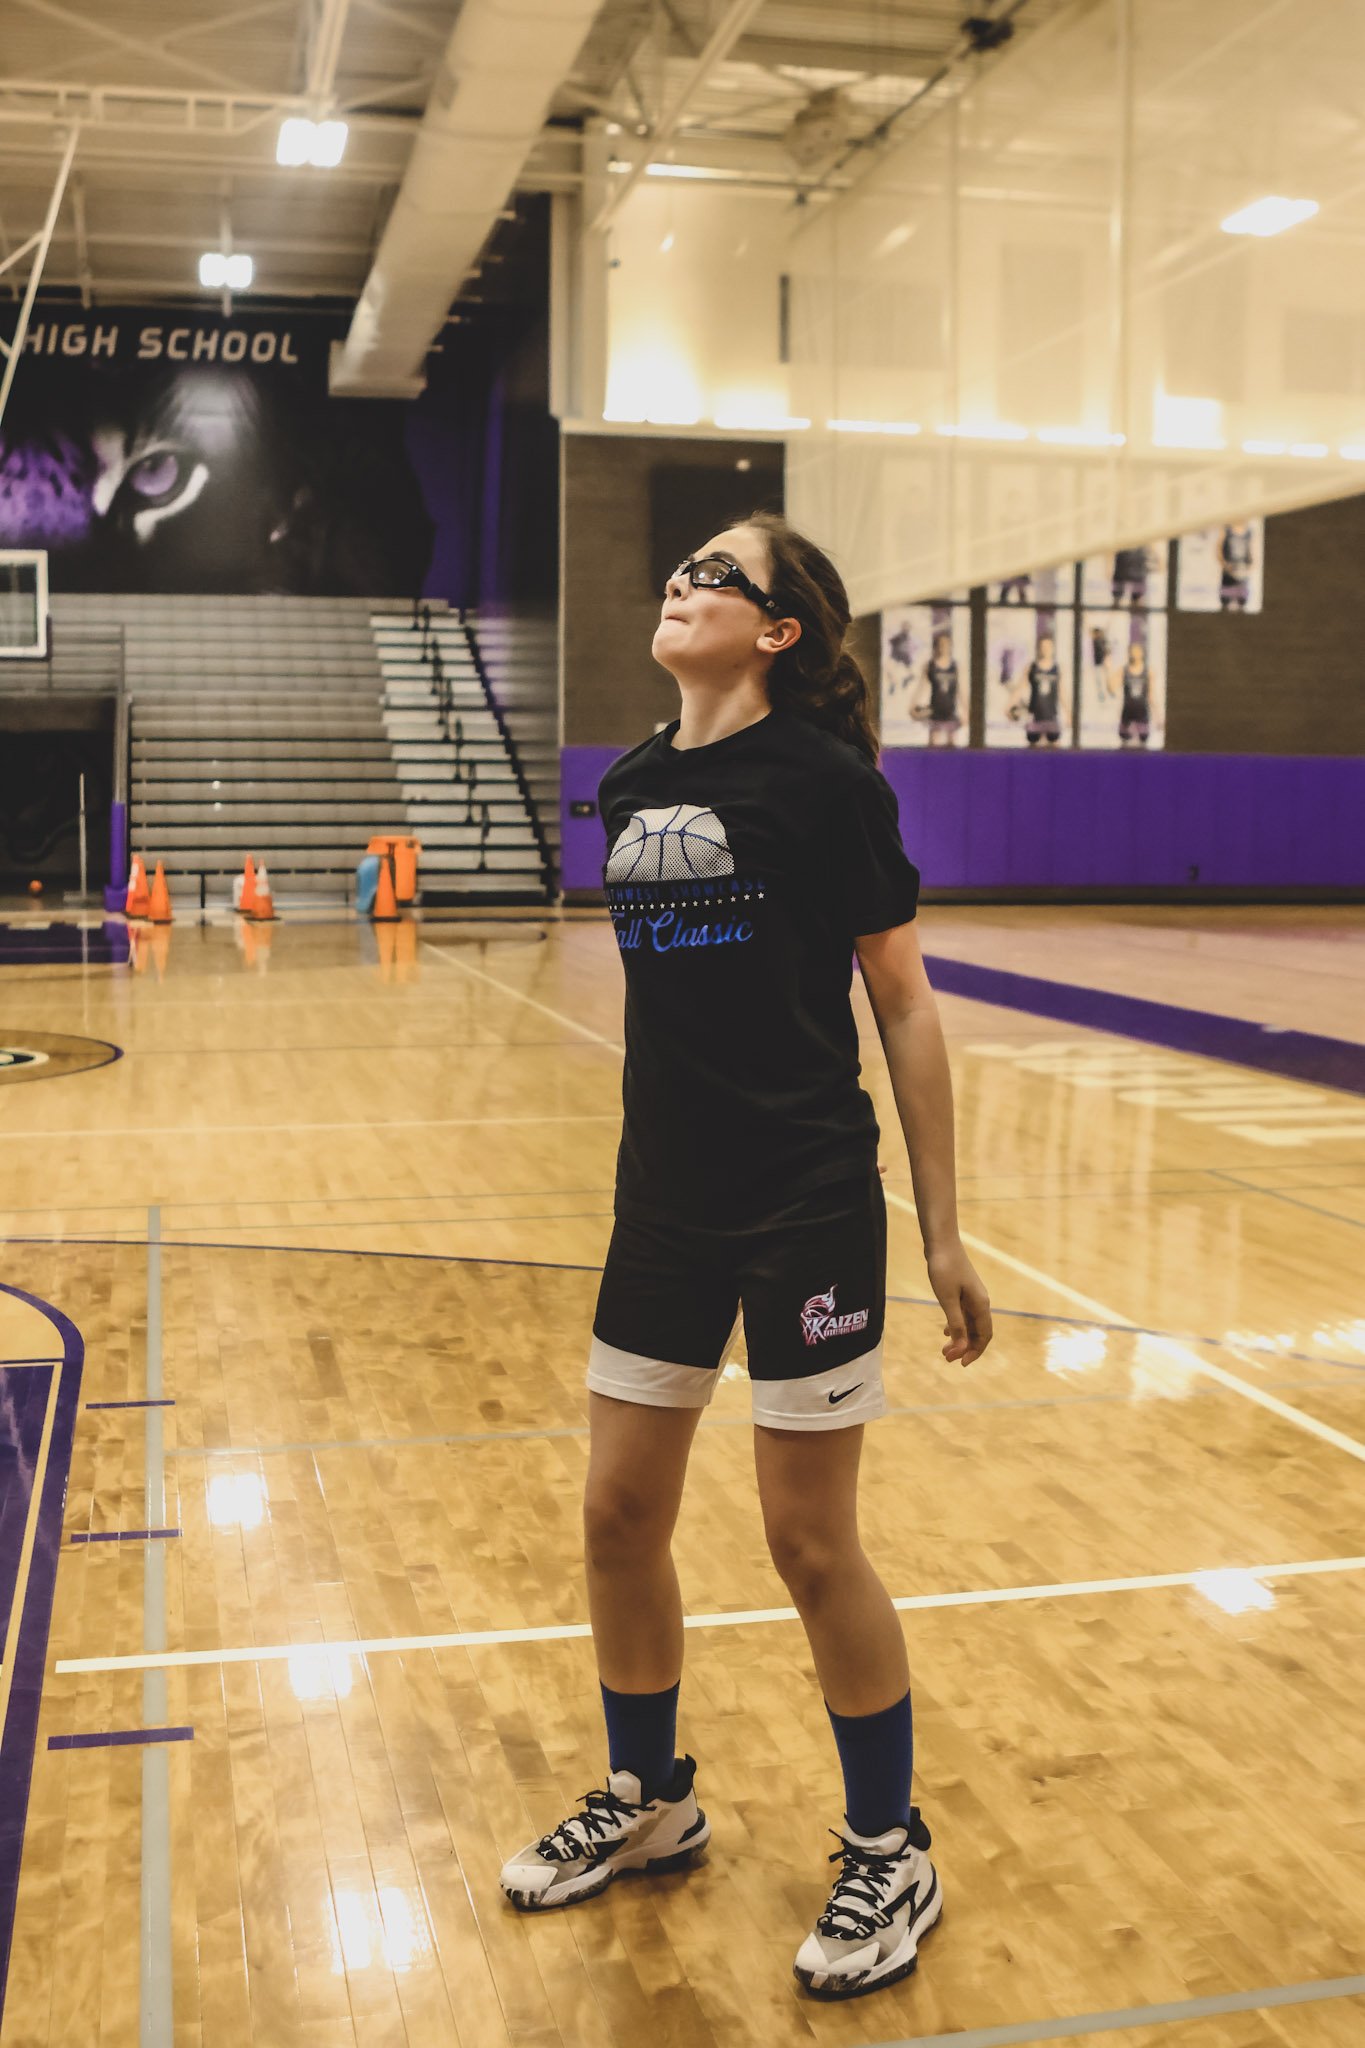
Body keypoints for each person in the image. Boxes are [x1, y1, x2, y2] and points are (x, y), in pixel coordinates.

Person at [498, 510, 993, 2001]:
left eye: (719, 574)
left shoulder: (832, 788)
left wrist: (945, 1226)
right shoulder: (634, 780)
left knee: (807, 1539)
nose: (683, 582)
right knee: (615, 1512)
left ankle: (890, 1849)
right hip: (663, 1201)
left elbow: (901, 1003)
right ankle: (650, 1797)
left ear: (778, 630)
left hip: (803, 1201)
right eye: (684, 567)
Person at [1009, 631, 1064, 746]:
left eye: (1048, 646)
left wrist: (1070, 714)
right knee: (1032, 746)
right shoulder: (1031, 668)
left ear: (1053, 648)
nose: (1046, 649)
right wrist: (1010, 705)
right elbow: (1020, 688)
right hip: (1035, 716)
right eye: (1043, 647)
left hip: (1051, 716)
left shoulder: (1057, 669)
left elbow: (1062, 692)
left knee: (1054, 746)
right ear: (1039, 648)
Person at [913, 627, 962, 747]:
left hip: (950, 710)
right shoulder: (930, 666)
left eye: (946, 644)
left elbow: (960, 690)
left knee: (952, 745)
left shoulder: (955, 666)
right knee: (933, 744)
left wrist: (966, 711)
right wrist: (913, 705)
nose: (944, 647)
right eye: (941, 644)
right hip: (935, 710)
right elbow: (921, 687)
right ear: (936, 646)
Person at [1118, 640, 1151, 747]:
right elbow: (1112, 688)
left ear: (1142, 653)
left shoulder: (1148, 671)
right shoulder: (1124, 670)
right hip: (1127, 711)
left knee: (1143, 739)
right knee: (1124, 738)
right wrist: (1107, 667)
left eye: (1137, 651)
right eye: (1132, 651)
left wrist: (1158, 715)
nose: (1135, 654)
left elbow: (1151, 694)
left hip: (1142, 711)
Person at [1218, 522, 1254, 610]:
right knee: (1225, 600)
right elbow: (1219, 547)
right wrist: (1224, 564)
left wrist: (1251, 565)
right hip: (1229, 570)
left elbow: (1251, 549)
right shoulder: (1226, 529)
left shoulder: (1248, 531)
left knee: (1242, 600)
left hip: (1242, 571)